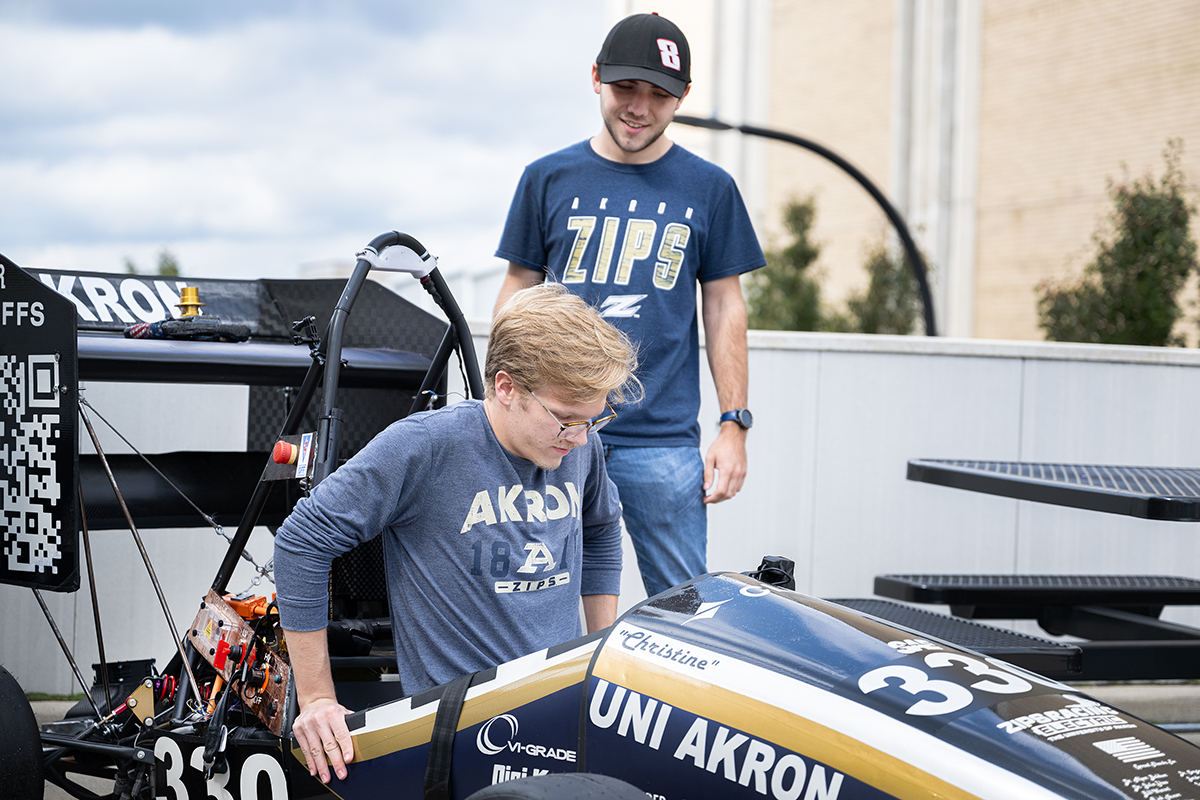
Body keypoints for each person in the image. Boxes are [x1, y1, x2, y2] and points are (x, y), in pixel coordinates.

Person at [273, 283, 639, 784]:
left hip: (561, 712)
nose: (579, 438)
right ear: (507, 387)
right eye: (566, 421)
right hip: (459, 739)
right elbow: (301, 540)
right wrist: (317, 699)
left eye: (593, 421)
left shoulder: (579, 448)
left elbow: (600, 531)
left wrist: (600, 652)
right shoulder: (425, 446)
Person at [494, 12, 765, 599]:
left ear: (683, 97)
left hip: (661, 442)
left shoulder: (709, 188)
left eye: (658, 94)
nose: (639, 107)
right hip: (554, 429)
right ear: (595, 78)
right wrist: (500, 400)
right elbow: (518, 292)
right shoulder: (547, 178)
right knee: (535, 595)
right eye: (625, 88)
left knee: (687, 607)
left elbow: (724, 307)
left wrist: (733, 424)